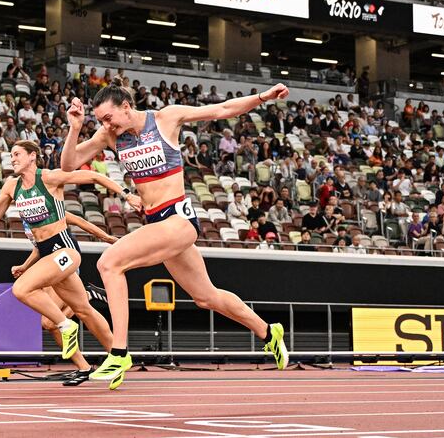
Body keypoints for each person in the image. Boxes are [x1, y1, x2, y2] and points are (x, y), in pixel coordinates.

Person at [60, 79, 290, 388]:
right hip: (157, 223)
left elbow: (222, 109)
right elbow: (69, 165)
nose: (105, 124)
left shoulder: (166, 118)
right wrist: (75, 128)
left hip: (179, 219)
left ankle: (119, 352)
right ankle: (268, 331)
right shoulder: (110, 135)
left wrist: (264, 97)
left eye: (108, 117)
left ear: (126, 107)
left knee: (109, 263)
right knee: (206, 297)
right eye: (100, 120)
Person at [0, 141, 143, 390]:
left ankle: (64, 325)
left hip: (66, 250)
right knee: (84, 310)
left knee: (22, 290)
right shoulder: (11, 187)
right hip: (46, 252)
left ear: (32, 157)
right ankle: (121, 357)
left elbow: (92, 175)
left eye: (17, 154)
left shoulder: (48, 178)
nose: (12, 159)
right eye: (11, 155)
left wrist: (127, 194)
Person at [12, 212, 116, 386]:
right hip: (47, 266)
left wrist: (108, 239)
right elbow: (39, 247)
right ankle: (84, 368)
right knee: (52, 324)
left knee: (49, 322)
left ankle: (114, 358)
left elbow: (81, 222)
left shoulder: (49, 207)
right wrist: (24, 266)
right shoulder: (26, 216)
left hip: (64, 263)